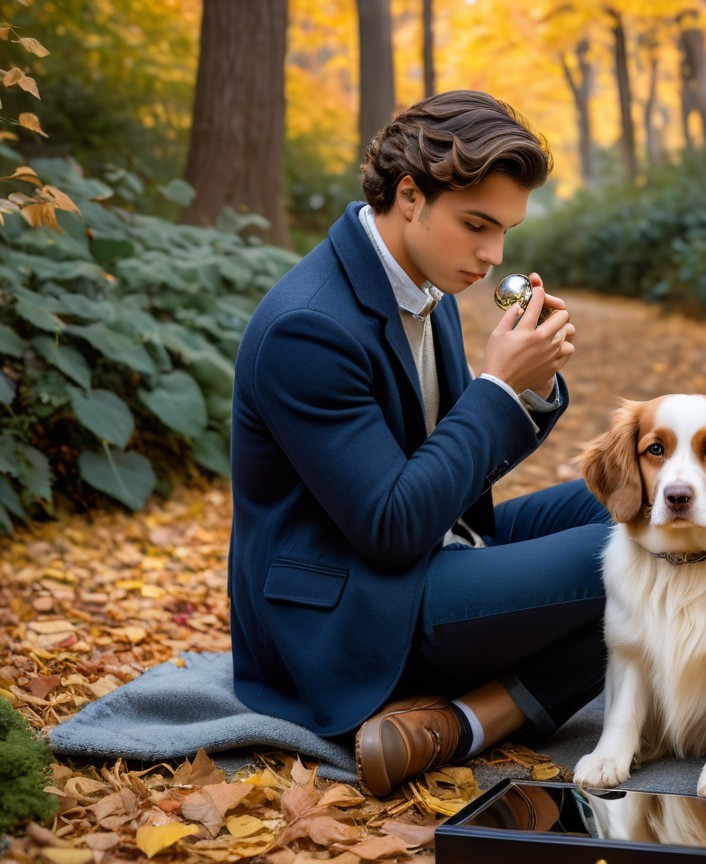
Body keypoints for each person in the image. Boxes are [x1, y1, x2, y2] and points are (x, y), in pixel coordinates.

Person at [227, 90, 613, 798]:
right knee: (630, 560)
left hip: (432, 549)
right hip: (348, 614)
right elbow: (391, 525)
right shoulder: (307, 328)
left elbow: (448, 470)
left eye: (506, 231)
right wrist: (495, 389)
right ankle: (476, 716)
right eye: (476, 225)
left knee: (654, 509)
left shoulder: (418, 284)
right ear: (410, 195)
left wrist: (526, 389)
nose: (493, 256)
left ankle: (459, 723)